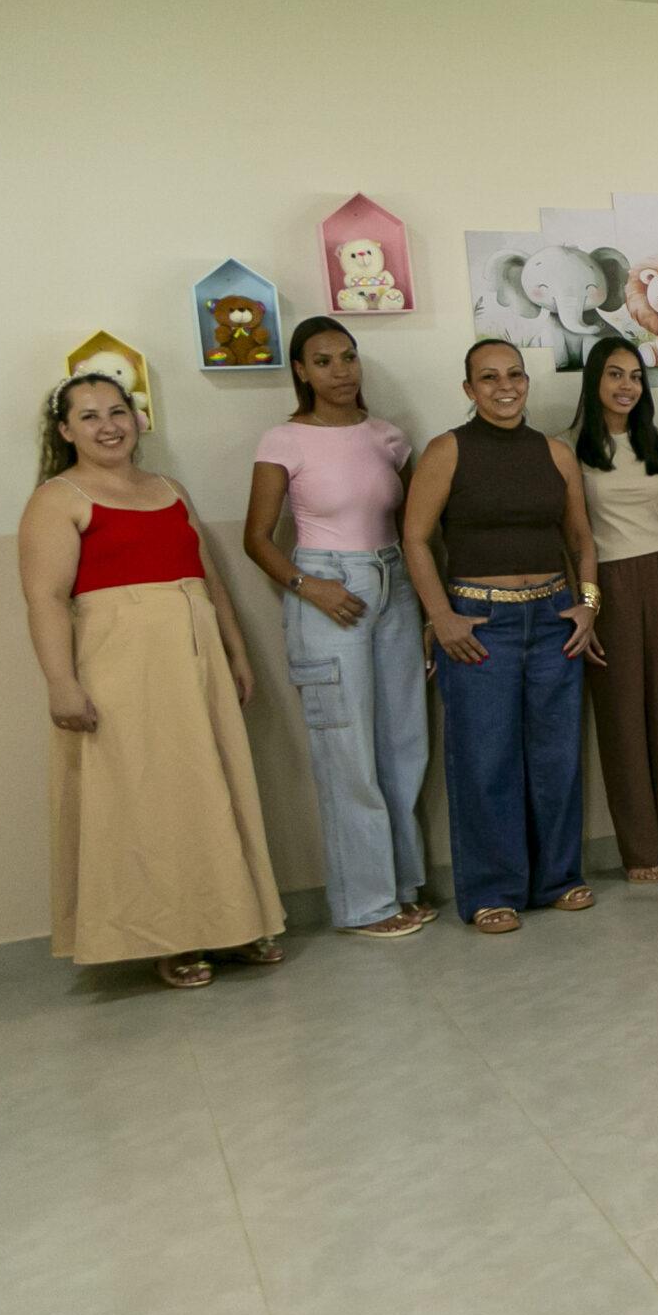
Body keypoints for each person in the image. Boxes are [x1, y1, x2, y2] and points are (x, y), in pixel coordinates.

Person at [21, 374, 288, 987]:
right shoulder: (57, 499)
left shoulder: (169, 489)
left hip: (194, 660)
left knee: (212, 788)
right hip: (121, 666)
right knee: (148, 799)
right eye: (89, 416)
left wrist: (236, 651)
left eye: (118, 411)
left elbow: (208, 579)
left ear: (137, 419)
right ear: (65, 431)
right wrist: (61, 683)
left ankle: (233, 924)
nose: (108, 426)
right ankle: (172, 937)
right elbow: (45, 598)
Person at [403, 340, 604, 934]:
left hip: (552, 620)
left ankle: (559, 879)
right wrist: (441, 617)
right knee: (485, 759)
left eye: (514, 374)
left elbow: (581, 538)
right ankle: (492, 891)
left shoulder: (555, 452)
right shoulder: (447, 450)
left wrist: (589, 606)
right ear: (469, 389)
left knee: (556, 756)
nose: (505, 386)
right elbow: (415, 539)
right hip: (478, 623)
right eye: (488, 378)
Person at [241, 318, 430, 936]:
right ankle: (364, 904)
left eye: (348, 357)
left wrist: (431, 607)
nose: (340, 371)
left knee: (403, 745)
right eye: (323, 361)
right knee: (347, 751)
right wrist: (309, 585)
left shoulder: (388, 437)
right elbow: (256, 538)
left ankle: (403, 887)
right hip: (327, 589)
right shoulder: (283, 439)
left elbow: (417, 528)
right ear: (301, 371)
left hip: (395, 583)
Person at [571, 340, 658, 884]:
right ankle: (640, 851)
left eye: (636, 377)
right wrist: (588, 600)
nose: (627, 386)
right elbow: (572, 534)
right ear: (594, 381)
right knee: (620, 717)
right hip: (604, 584)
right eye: (615, 374)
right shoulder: (569, 448)